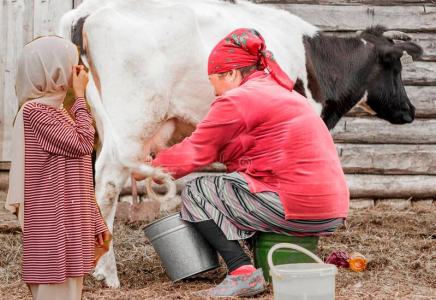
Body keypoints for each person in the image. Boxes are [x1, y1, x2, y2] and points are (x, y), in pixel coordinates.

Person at [133, 28, 349, 297]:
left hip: (295, 204)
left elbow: (194, 152)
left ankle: (241, 271)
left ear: (232, 74)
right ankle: (275, 260)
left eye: (214, 81)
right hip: (331, 209)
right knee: (233, 189)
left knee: (198, 191)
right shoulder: (286, 94)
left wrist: (147, 169)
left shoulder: (238, 100)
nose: (214, 92)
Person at [5, 36, 110, 300]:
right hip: (53, 226)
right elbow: (84, 144)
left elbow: (79, 175)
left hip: (71, 222)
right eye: (72, 66)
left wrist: (95, 221)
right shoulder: (36, 113)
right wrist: (81, 96)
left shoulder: (57, 112)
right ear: (53, 71)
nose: (78, 73)